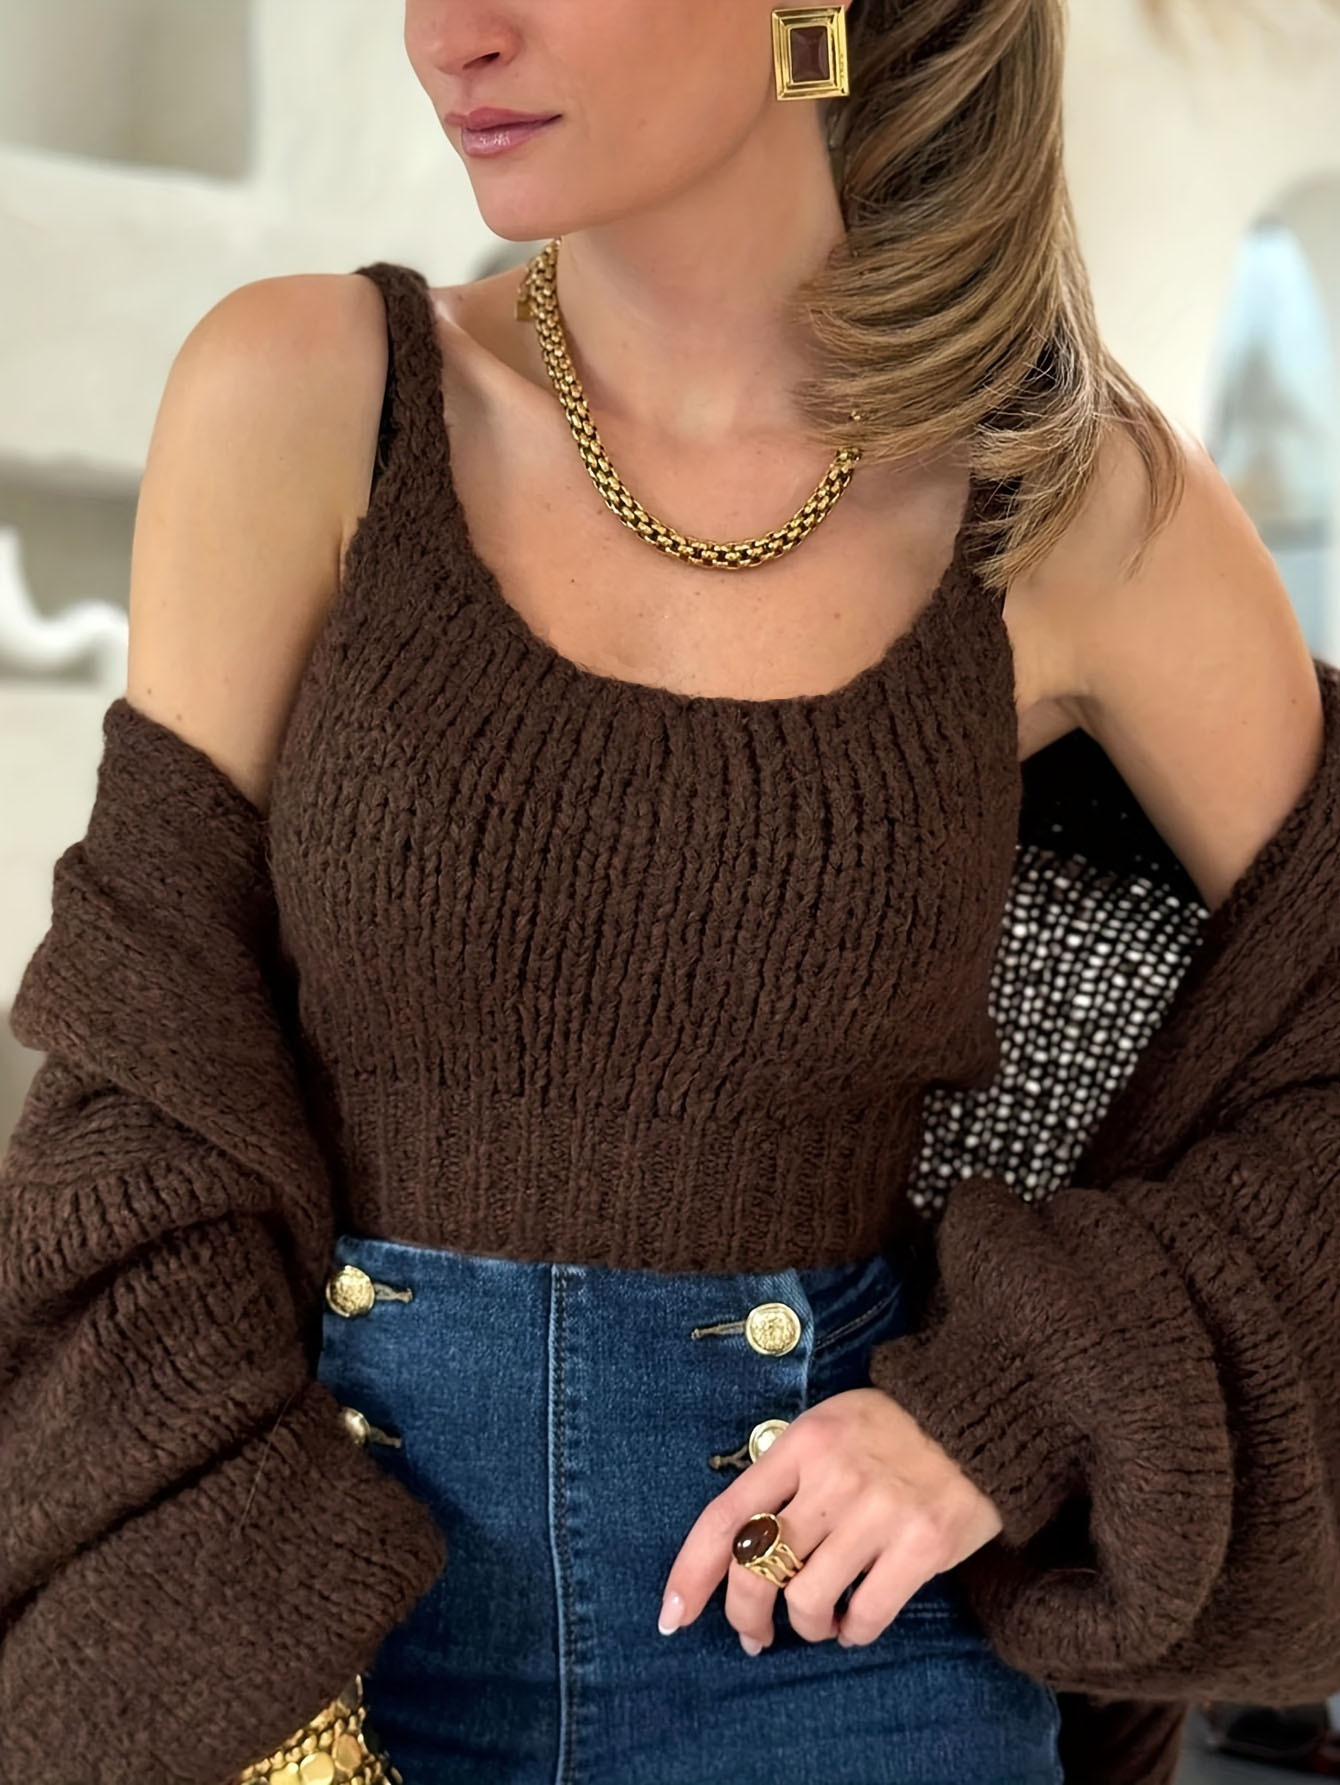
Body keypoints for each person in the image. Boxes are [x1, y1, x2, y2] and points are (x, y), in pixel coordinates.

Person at [0, 2, 1328, 1783]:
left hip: (843, 1666)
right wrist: (236, 1671)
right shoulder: (310, 391)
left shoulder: (1072, 504)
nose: (450, 35)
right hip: (315, 1628)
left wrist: (1012, 1402)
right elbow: (141, 1064)